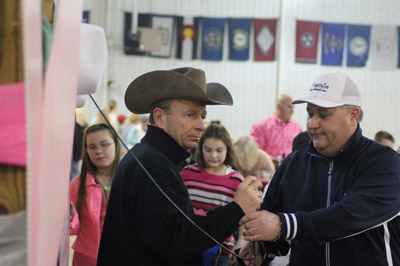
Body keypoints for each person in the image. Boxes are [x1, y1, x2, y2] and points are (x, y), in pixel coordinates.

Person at [97, 67, 263, 266]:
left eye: (202, 116)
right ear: (159, 118)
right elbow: (177, 242)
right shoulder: (153, 164)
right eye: (191, 115)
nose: (201, 125)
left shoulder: (150, 157)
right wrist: (236, 209)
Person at [238, 72, 400, 266]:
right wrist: (261, 249)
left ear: (353, 115)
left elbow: (347, 217)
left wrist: (282, 225)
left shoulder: (384, 162)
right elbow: (274, 224)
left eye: (323, 115)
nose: (312, 124)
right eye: (310, 114)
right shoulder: (293, 164)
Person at [181, 123, 245, 266]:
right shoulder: (187, 173)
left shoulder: (236, 179)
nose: (213, 156)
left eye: (219, 150)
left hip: (222, 250)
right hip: (189, 245)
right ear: (200, 148)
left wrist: (240, 242)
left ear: (228, 149)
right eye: (208, 150)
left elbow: (244, 215)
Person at [69, 123, 121, 266]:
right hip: (87, 258)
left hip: (124, 255)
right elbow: (71, 230)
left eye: (104, 145)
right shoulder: (77, 184)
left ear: (116, 144)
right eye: (92, 147)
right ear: (86, 150)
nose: (98, 151)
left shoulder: (130, 178)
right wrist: (71, 218)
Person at [250, 94, 302, 160]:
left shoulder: (297, 128)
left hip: (292, 168)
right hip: (269, 168)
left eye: (293, 108)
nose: (292, 111)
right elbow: (255, 152)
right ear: (279, 107)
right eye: (289, 107)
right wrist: (273, 162)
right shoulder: (260, 127)